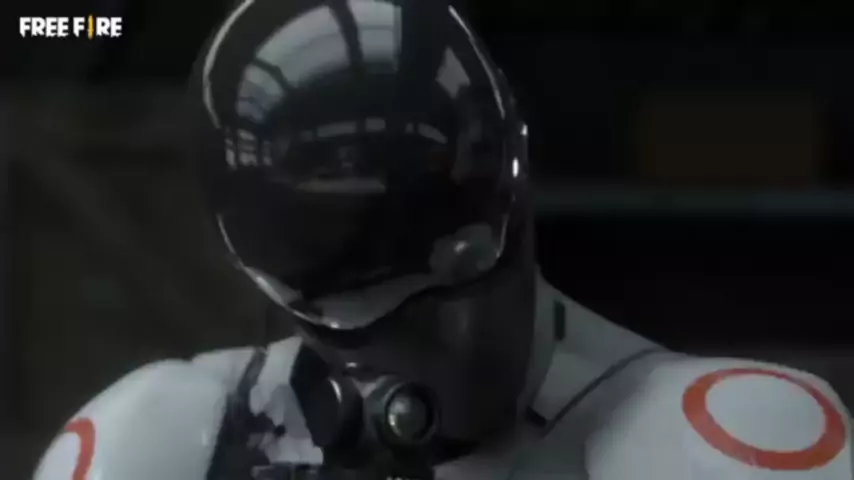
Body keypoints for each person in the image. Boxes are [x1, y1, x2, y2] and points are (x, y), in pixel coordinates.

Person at [33, 0, 853, 478]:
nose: (452, 340)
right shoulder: (172, 443)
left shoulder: (723, 445)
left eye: (463, 273)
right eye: (369, 316)